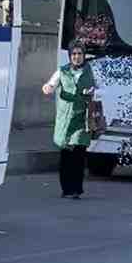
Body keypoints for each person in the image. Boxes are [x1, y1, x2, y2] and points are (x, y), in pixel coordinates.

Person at [42, 41, 96, 199]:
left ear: (83, 55)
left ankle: (77, 189)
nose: (77, 57)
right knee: (66, 155)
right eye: (74, 54)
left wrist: (92, 92)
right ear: (70, 56)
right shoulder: (62, 71)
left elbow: (99, 89)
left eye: (79, 54)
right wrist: (48, 88)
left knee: (78, 154)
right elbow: (51, 84)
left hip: (81, 119)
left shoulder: (90, 71)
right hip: (65, 119)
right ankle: (66, 188)